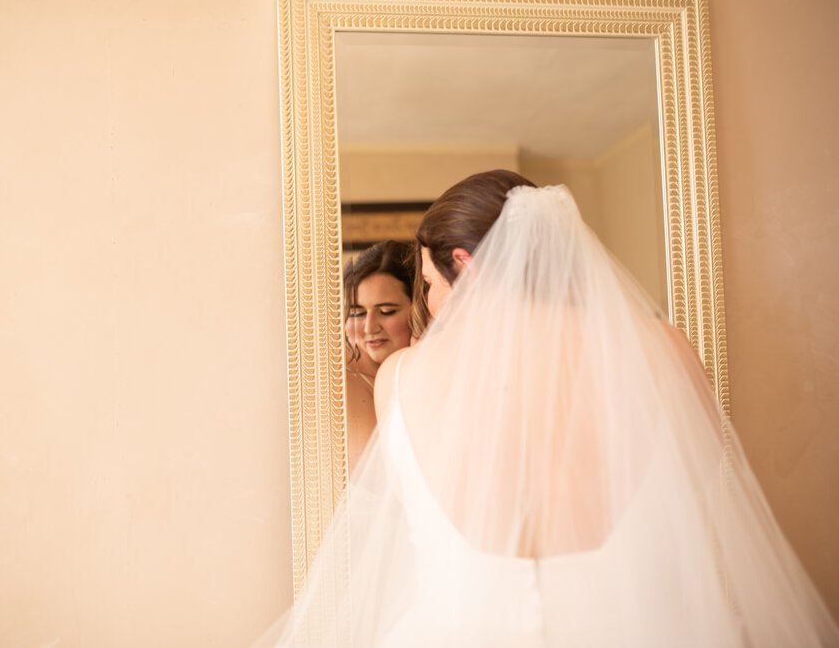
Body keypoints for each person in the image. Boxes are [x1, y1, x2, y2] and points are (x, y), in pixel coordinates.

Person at [260, 171, 839, 647]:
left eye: (431, 285)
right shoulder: (661, 349)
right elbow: (695, 479)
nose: (430, 307)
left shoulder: (403, 378)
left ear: (468, 263)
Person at [342, 240, 414, 470]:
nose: (369, 327)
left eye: (386, 312)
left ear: (418, 308)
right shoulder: (345, 385)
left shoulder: (428, 372)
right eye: (357, 313)